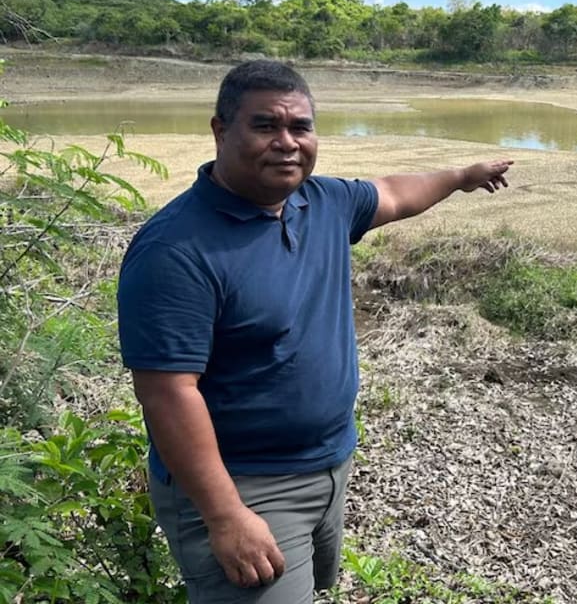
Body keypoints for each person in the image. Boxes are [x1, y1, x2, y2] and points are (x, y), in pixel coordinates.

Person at [117, 59, 512, 603]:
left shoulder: (322, 203)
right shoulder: (176, 250)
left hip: (329, 463)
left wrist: (462, 177)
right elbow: (166, 393)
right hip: (246, 486)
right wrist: (226, 514)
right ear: (219, 130)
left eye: (300, 127)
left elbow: (395, 193)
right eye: (265, 126)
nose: (287, 142)